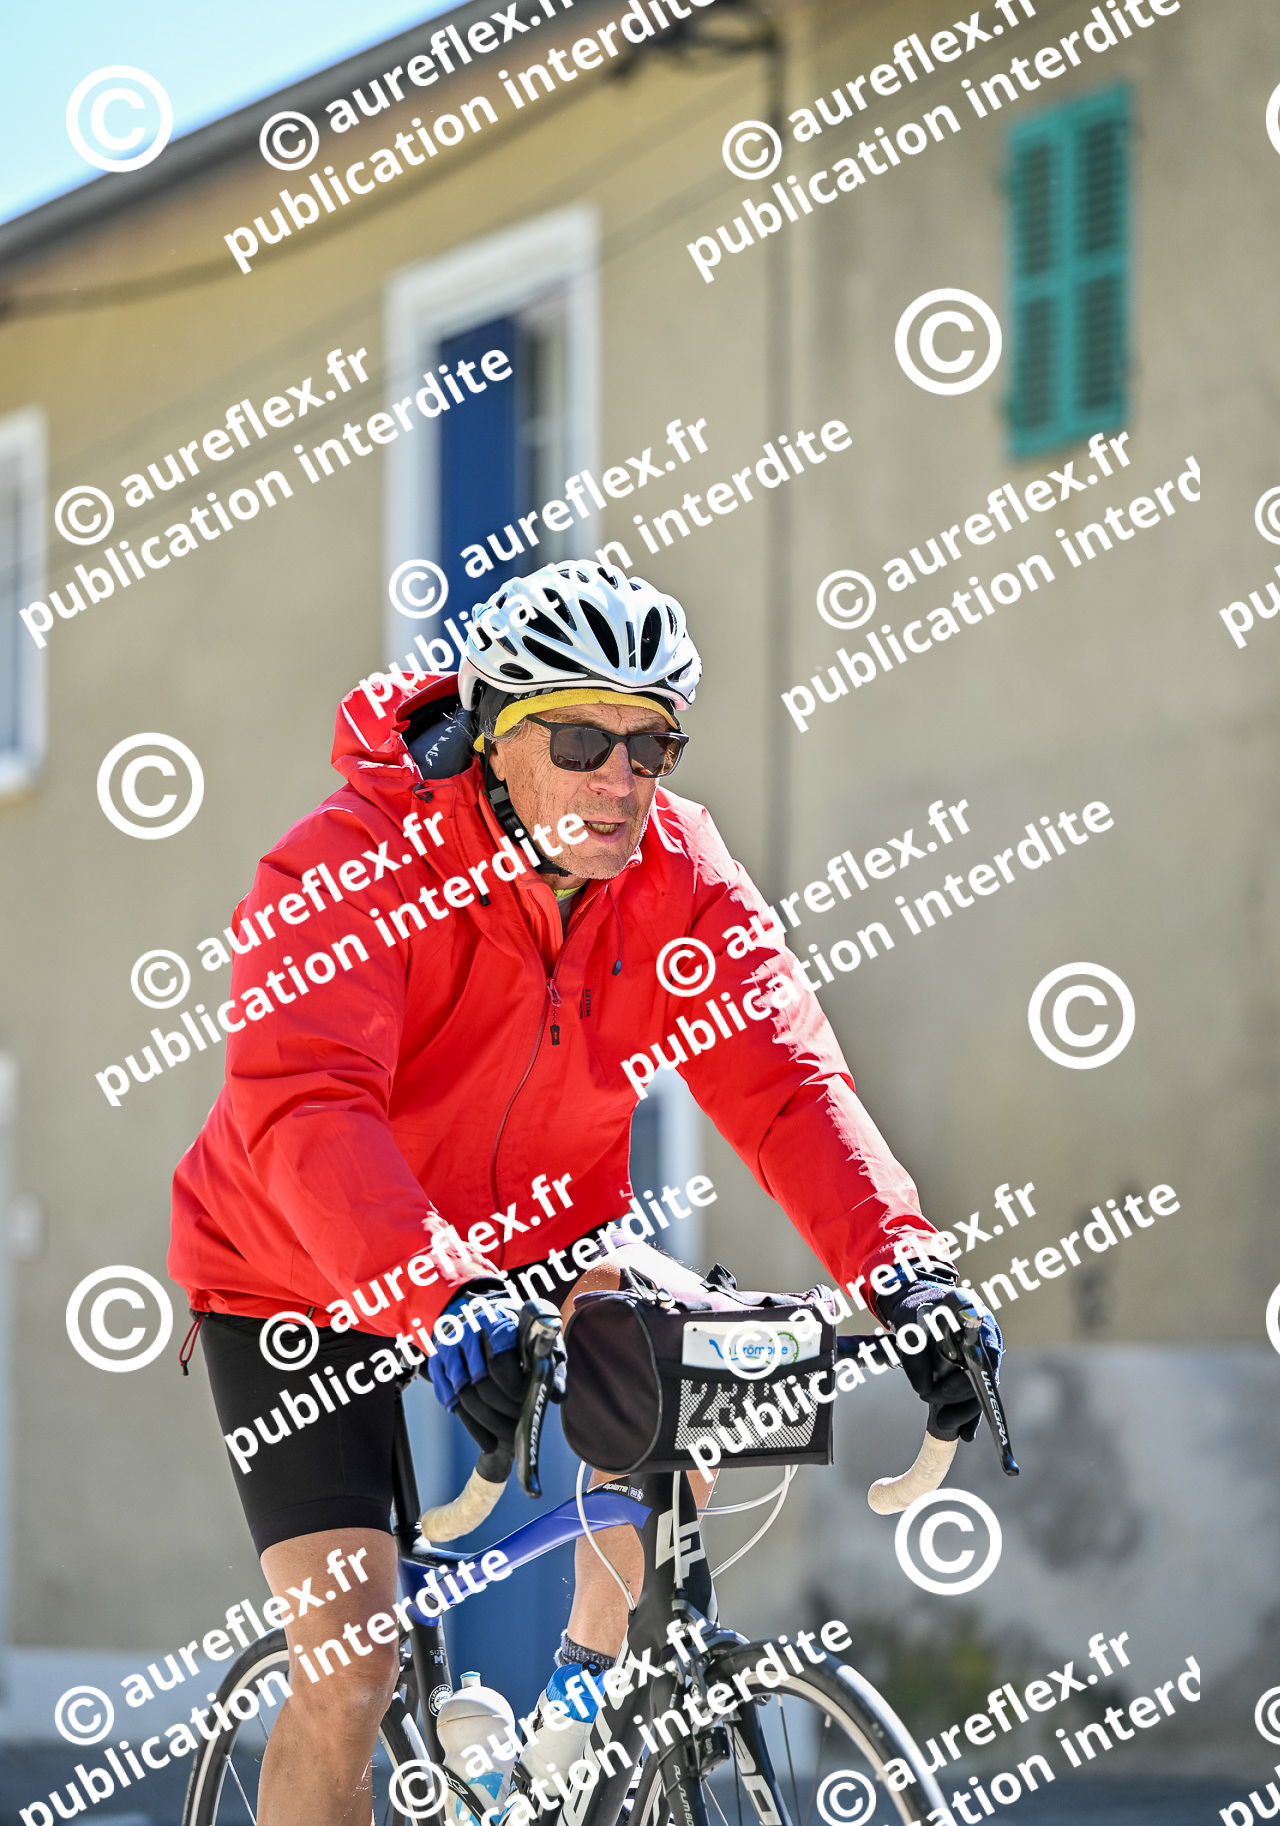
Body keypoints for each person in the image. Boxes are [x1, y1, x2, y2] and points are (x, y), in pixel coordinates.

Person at [169, 561, 995, 1826]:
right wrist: (438, 1292)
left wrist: (904, 1272)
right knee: (352, 1662)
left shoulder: (676, 870)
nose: (621, 779)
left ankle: (576, 1715)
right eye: (581, 741)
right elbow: (307, 1108)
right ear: (495, 737)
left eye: (650, 743)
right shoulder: (351, 863)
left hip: (547, 1233)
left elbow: (783, 1082)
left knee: (693, 1367)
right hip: (294, 1267)